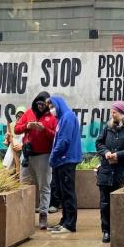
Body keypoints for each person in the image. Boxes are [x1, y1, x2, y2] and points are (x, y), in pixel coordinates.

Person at [95, 102, 124, 243]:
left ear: (122, 114)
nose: (112, 115)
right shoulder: (107, 127)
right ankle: (106, 231)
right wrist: (106, 152)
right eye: (111, 112)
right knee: (104, 203)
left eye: (115, 112)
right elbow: (99, 143)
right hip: (106, 171)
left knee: (120, 202)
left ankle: (119, 229)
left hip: (121, 171)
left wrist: (118, 155)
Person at [13, 92, 57, 229]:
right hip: (27, 155)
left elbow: (55, 136)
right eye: (38, 104)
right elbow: (16, 129)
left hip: (44, 156)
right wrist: (27, 126)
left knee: (44, 186)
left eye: (43, 105)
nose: (40, 107)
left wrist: (43, 129)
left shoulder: (52, 117)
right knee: (24, 185)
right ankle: (24, 215)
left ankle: (43, 214)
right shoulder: (28, 113)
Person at [47, 95, 82, 234]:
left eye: (52, 106)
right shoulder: (62, 118)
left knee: (68, 193)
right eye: (49, 107)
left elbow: (64, 141)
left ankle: (70, 224)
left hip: (66, 160)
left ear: (58, 104)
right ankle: (64, 221)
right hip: (60, 161)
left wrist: (53, 156)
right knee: (62, 193)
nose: (51, 110)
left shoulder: (67, 117)